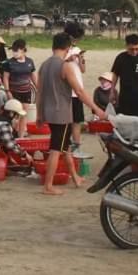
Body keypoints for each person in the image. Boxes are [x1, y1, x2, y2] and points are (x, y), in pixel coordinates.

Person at [36, 33, 106, 195]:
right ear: (68, 48)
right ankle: (48, 185)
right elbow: (79, 91)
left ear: (53, 46)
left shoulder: (44, 65)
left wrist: (39, 114)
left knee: (65, 146)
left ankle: (75, 177)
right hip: (62, 113)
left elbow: (39, 92)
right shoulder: (64, 66)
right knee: (56, 149)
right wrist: (96, 109)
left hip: (48, 111)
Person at [111, 34, 138, 118]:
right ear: (126, 46)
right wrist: (112, 91)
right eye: (131, 49)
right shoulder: (120, 58)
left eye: (137, 49)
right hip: (125, 95)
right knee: (125, 118)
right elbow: (115, 75)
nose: (134, 52)